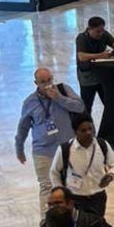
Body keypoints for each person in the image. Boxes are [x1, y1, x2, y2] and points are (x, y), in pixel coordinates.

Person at [14, 66, 85, 208]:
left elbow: (79, 107)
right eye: (43, 82)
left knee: (72, 184)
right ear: (36, 83)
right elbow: (23, 127)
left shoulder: (63, 90)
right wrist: (19, 148)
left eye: (49, 80)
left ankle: (71, 220)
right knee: (46, 187)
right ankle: (45, 223)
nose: (47, 84)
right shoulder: (30, 102)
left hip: (68, 149)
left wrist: (59, 98)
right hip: (43, 151)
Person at [51, 115, 114, 227]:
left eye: (90, 129)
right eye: (84, 130)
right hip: (75, 198)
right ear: (76, 132)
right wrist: (60, 190)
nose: (88, 133)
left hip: (98, 197)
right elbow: (54, 172)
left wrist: (111, 176)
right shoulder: (65, 149)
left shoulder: (102, 145)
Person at [75, 14, 114, 116]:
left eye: (102, 31)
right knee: (86, 106)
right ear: (89, 29)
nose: (100, 34)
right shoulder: (81, 38)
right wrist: (101, 55)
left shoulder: (104, 34)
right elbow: (81, 56)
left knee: (109, 103)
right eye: (97, 31)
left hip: (102, 74)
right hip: (87, 77)